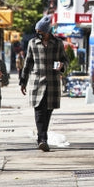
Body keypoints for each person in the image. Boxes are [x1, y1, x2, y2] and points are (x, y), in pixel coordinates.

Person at [19, 15, 69, 152]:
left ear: (47, 32)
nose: (38, 34)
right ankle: (42, 139)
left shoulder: (58, 43)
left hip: (52, 83)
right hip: (37, 82)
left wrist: (62, 66)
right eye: (37, 32)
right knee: (39, 111)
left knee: (48, 112)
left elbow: (65, 60)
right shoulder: (32, 43)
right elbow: (28, 63)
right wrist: (23, 81)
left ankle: (42, 137)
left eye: (40, 32)